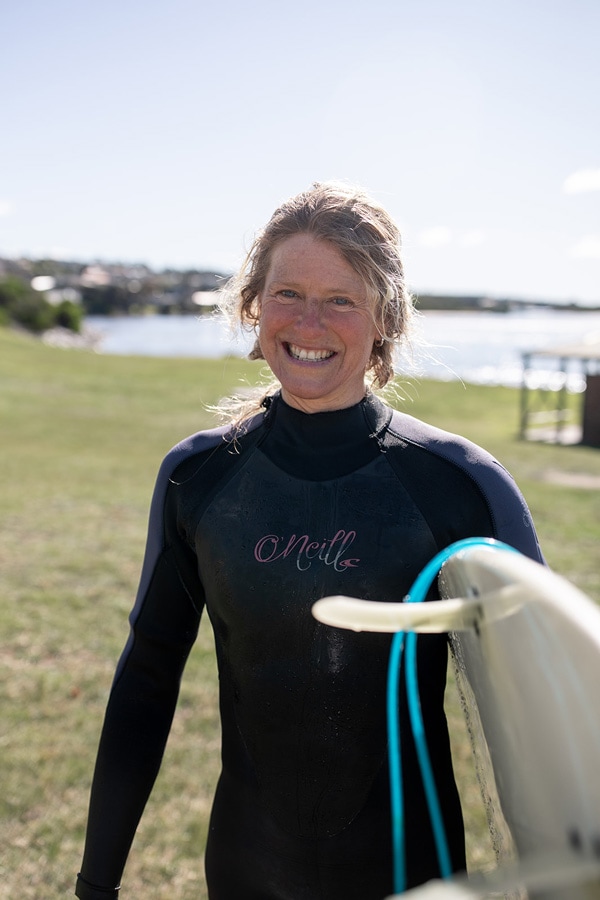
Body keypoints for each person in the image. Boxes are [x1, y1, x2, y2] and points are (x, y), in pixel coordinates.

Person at [75, 182, 543, 900]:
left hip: (409, 875)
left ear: (385, 319)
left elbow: (534, 713)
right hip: (246, 871)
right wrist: (96, 883)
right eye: (288, 293)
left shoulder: (461, 486)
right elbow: (146, 681)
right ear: (253, 306)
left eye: (341, 299)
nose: (310, 321)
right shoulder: (198, 479)